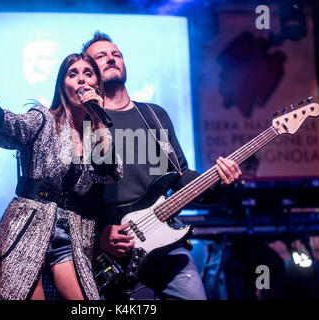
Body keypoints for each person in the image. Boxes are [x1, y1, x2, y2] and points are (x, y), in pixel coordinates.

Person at [82, 32, 242, 300]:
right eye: (101, 56)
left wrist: (219, 183)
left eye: (116, 54)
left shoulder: (154, 115)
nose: (111, 58)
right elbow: (75, 193)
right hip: (113, 251)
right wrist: (98, 235)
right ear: (90, 72)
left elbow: (180, 177)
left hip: (166, 242)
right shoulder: (85, 121)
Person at [0, 52, 122, 300]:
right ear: (62, 85)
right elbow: (8, 124)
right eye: (73, 74)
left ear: (97, 84)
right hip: (30, 222)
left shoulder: (97, 130)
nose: (82, 80)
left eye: (88, 74)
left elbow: (109, 171)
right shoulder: (43, 118)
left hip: (72, 232)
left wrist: (98, 121)